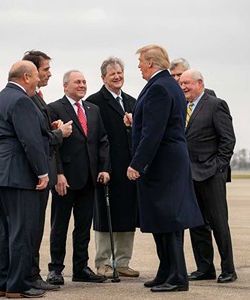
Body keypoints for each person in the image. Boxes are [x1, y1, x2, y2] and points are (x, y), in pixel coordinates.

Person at [127, 45, 203, 292]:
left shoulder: (160, 87)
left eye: (140, 61)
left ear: (151, 63)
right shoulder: (167, 85)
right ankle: (166, 271)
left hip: (163, 165)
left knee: (169, 220)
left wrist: (138, 163)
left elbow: (154, 132)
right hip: (167, 163)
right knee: (161, 220)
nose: (138, 66)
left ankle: (178, 276)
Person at [0, 60, 50, 298]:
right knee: (22, 232)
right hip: (19, 175)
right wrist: (43, 173)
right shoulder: (22, 101)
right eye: (35, 77)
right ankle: (18, 286)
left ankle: (2, 284)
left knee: (4, 232)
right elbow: (30, 142)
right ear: (25, 77)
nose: (37, 81)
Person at [46, 70, 111, 284]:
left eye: (84, 81)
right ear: (65, 86)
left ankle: (81, 268)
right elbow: (51, 146)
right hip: (66, 180)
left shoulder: (93, 110)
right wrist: (59, 174)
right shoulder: (54, 108)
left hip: (90, 179)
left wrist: (104, 168)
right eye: (77, 82)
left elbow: (102, 140)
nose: (82, 85)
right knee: (60, 226)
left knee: (83, 227)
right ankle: (55, 269)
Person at [179, 69, 237, 283]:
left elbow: (228, 140)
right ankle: (205, 268)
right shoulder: (182, 107)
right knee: (196, 224)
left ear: (199, 83)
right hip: (189, 176)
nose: (183, 87)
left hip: (211, 175)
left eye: (187, 83)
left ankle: (228, 269)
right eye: (181, 84)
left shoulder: (215, 104)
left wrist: (218, 167)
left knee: (219, 223)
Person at [22, 50, 72, 291]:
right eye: (46, 70)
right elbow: (35, 139)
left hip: (43, 173)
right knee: (32, 228)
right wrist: (58, 134)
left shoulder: (36, 97)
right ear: (31, 72)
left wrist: (50, 127)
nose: (49, 73)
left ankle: (33, 274)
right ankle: (31, 275)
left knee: (37, 227)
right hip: (35, 175)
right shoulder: (27, 99)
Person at [86, 56, 139, 278]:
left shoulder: (133, 101)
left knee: (127, 215)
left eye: (120, 73)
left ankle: (123, 262)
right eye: (112, 74)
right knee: (105, 217)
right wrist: (101, 166)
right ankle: (103, 263)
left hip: (129, 170)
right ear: (103, 78)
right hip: (106, 169)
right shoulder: (94, 102)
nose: (117, 77)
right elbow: (93, 138)